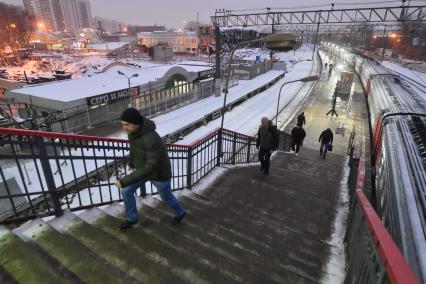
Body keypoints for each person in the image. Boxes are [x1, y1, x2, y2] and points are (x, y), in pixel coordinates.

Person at [115, 108, 186, 230]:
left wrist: (124, 181)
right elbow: (134, 149)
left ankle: (180, 212)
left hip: (159, 174)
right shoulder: (133, 133)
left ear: (136, 123)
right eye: (123, 124)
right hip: (144, 170)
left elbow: (151, 166)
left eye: (127, 124)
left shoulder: (151, 138)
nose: (124, 128)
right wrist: (131, 161)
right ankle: (131, 218)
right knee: (126, 191)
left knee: (166, 198)